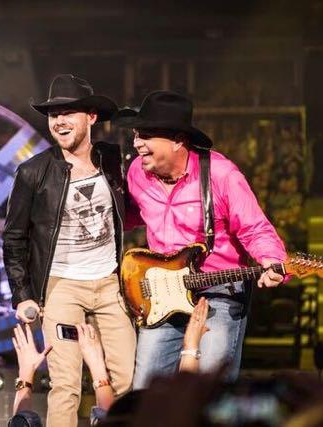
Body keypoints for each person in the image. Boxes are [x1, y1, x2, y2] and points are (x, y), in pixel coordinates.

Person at [119, 91, 286, 388]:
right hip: (162, 294)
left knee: (207, 389)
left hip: (218, 291)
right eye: (135, 135)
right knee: (145, 389)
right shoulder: (136, 173)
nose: (136, 144)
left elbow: (254, 228)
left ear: (177, 140)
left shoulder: (221, 175)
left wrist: (271, 259)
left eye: (145, 136)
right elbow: (130, 216)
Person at [3, 74, 136, 427]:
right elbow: (13, 238)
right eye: (53, 114)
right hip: (62, 287)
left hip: (110, 285)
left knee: (126, 381)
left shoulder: (112, 159)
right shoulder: (33, 172)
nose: (59, 121)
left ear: (91, 116)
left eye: (68, 113)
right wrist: (23, 295)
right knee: (66, 386)